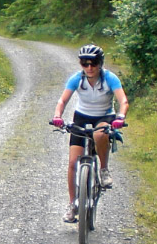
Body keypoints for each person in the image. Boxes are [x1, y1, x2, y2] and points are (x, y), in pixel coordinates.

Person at [51, 44, 129, 223]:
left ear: (100, 63)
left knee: (100, 135)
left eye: (93, 63)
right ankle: (72, 205)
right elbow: (62, 100)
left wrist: (121, 116)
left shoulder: (109, 78)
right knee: (72, 162)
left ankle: (103, 169)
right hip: (81, 116)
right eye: (85, 64)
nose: (89, 68)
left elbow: (123, 100)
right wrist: (57, 116)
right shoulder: (77, 79)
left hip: (104, 116)